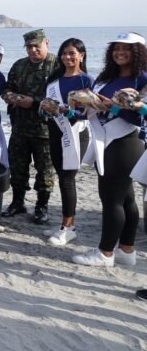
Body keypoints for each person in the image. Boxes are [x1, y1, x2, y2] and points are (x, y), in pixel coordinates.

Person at [72, 32, 147, 266]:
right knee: (126, 199)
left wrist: (115, 107)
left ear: (138, 52)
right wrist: (76, 105)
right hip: (103, 140)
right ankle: (126, 250)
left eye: (126, 48)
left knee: (111, 199)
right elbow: (92, 108)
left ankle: (105, 253)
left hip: (125, 142)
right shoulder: (107, 77)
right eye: (116, 48)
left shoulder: (142, 79)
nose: (119, 53)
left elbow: (141, 116)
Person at [37, 38, 93, 246]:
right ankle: (67, 223)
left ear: (81, 55)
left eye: (72, 53)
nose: (68, 57)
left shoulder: (86, 81)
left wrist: (66, 111)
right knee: (61, 177)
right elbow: (45, 107)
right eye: (64, 53)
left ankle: (67, 228)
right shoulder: (54, 80)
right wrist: (45, 108)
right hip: (55, 131)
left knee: (68, 179)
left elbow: (89, 112)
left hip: (75, 133)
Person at [1, 29, 58, 224]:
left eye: (37, 46)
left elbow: (63, 98)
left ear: (46, 43)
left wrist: (33, 103)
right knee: (17, 167)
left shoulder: (56, 65)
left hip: (46, 130)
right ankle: (18, 202)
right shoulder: (19, 65)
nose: (33, 50)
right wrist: (10, 97)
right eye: (29, 47)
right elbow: (7, 88)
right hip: (19, 127)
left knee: (45, 171)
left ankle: (41, 207)